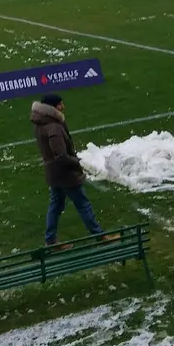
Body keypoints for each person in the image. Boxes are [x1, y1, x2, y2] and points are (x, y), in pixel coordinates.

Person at [30, 94, 116, 247]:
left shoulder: (40, 123)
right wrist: (78, 161)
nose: (63, 107)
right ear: (52, 107)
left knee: (55, 206)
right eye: (60, 104)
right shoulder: (54, 128)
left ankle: (50, 241)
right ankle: (100, 236)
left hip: (53, 174)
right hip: (65, 174)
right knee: (83, 204)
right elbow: (61, 156)